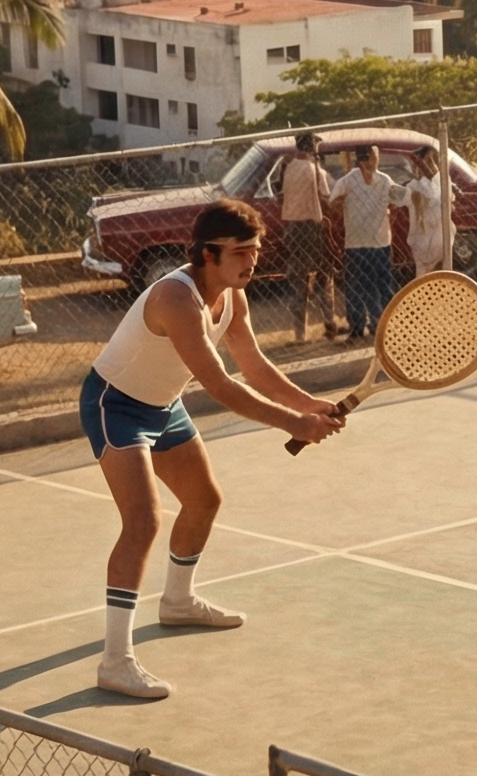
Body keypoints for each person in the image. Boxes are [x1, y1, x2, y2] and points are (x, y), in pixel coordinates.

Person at [81, 200, 345, 700]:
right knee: (143, 522)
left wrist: (309, 404)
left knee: (204, 501)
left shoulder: (232, 295)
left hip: (162, 403)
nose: (253, 261)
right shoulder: (176, 299)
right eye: (241, 252)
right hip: (114, 404)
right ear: (208, 254)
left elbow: (255, 367)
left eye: (256, 251)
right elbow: (220, 385)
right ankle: (115, 661)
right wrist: (294, 423)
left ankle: (177, 602)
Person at [326, 145, 397, 340]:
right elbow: (332, 203)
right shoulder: (348, 181)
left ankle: (382, 325)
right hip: (356, 244)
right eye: (368, 157)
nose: (372, 161)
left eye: (374, 157)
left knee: (383, 286)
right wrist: (341, 202)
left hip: (381, 242)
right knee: (357, 286)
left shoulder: (384, 180)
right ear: (360, 159)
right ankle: (357, 327)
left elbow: (396, 199)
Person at [278, 132, 341, 343]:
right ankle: (329, 321)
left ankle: (300, 334)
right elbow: (326, 195)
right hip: (313, 228)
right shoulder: (314, 170)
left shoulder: (288, 167)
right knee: (325, 276)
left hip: (294, 228)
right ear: (312, 149)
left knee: (299, 283)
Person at [403, 146, 457, 280]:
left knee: (424, 278)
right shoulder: (441, 181)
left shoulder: (416, 186)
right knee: (440, 277)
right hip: (442, 240)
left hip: (425, 242)